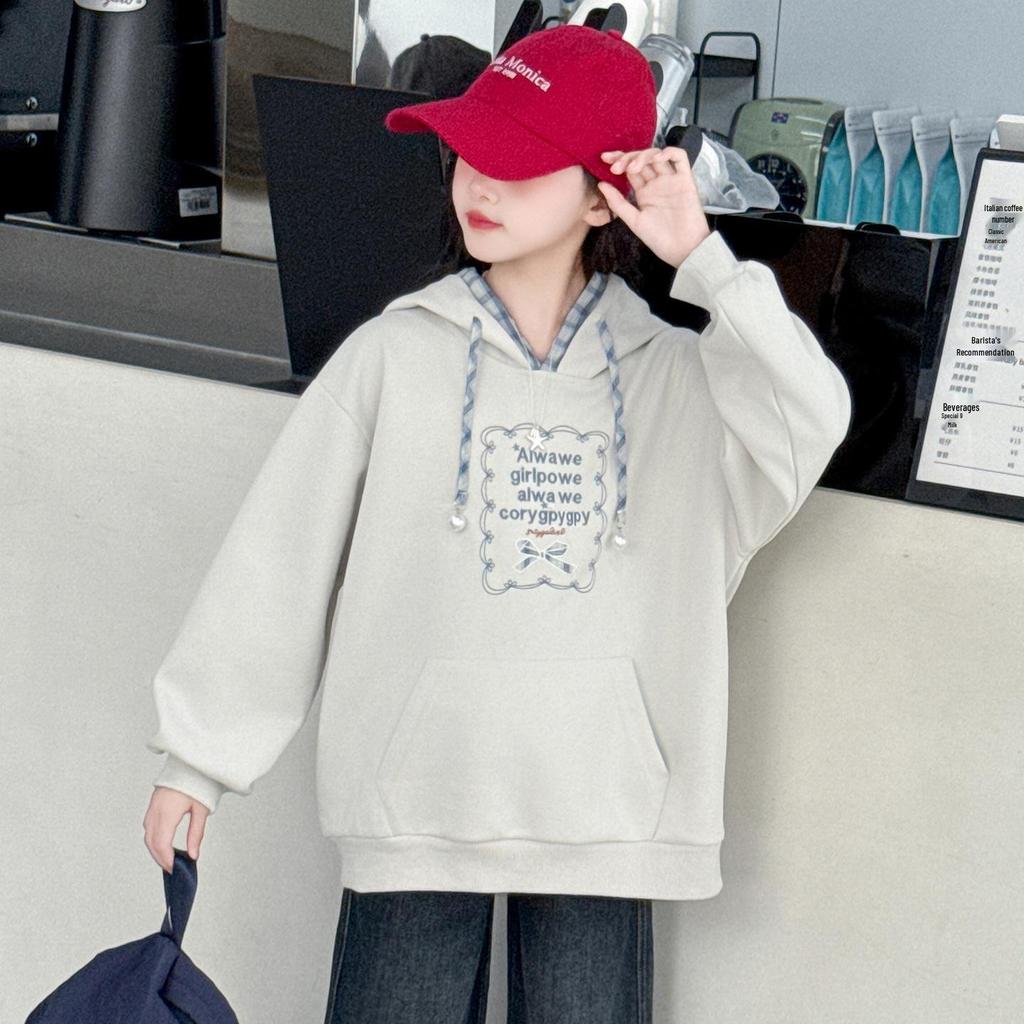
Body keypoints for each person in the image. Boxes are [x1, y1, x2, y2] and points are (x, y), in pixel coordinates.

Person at [142, 24, 852, 1024]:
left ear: (603, 195)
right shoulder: (393, 358)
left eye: (518, 163)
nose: (479, 183)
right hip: (418, 801)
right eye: (470, 151)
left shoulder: (681, 384)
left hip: (606, 812)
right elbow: (280, 556)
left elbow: (809, 418)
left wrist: (702, 258)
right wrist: (199, 760)